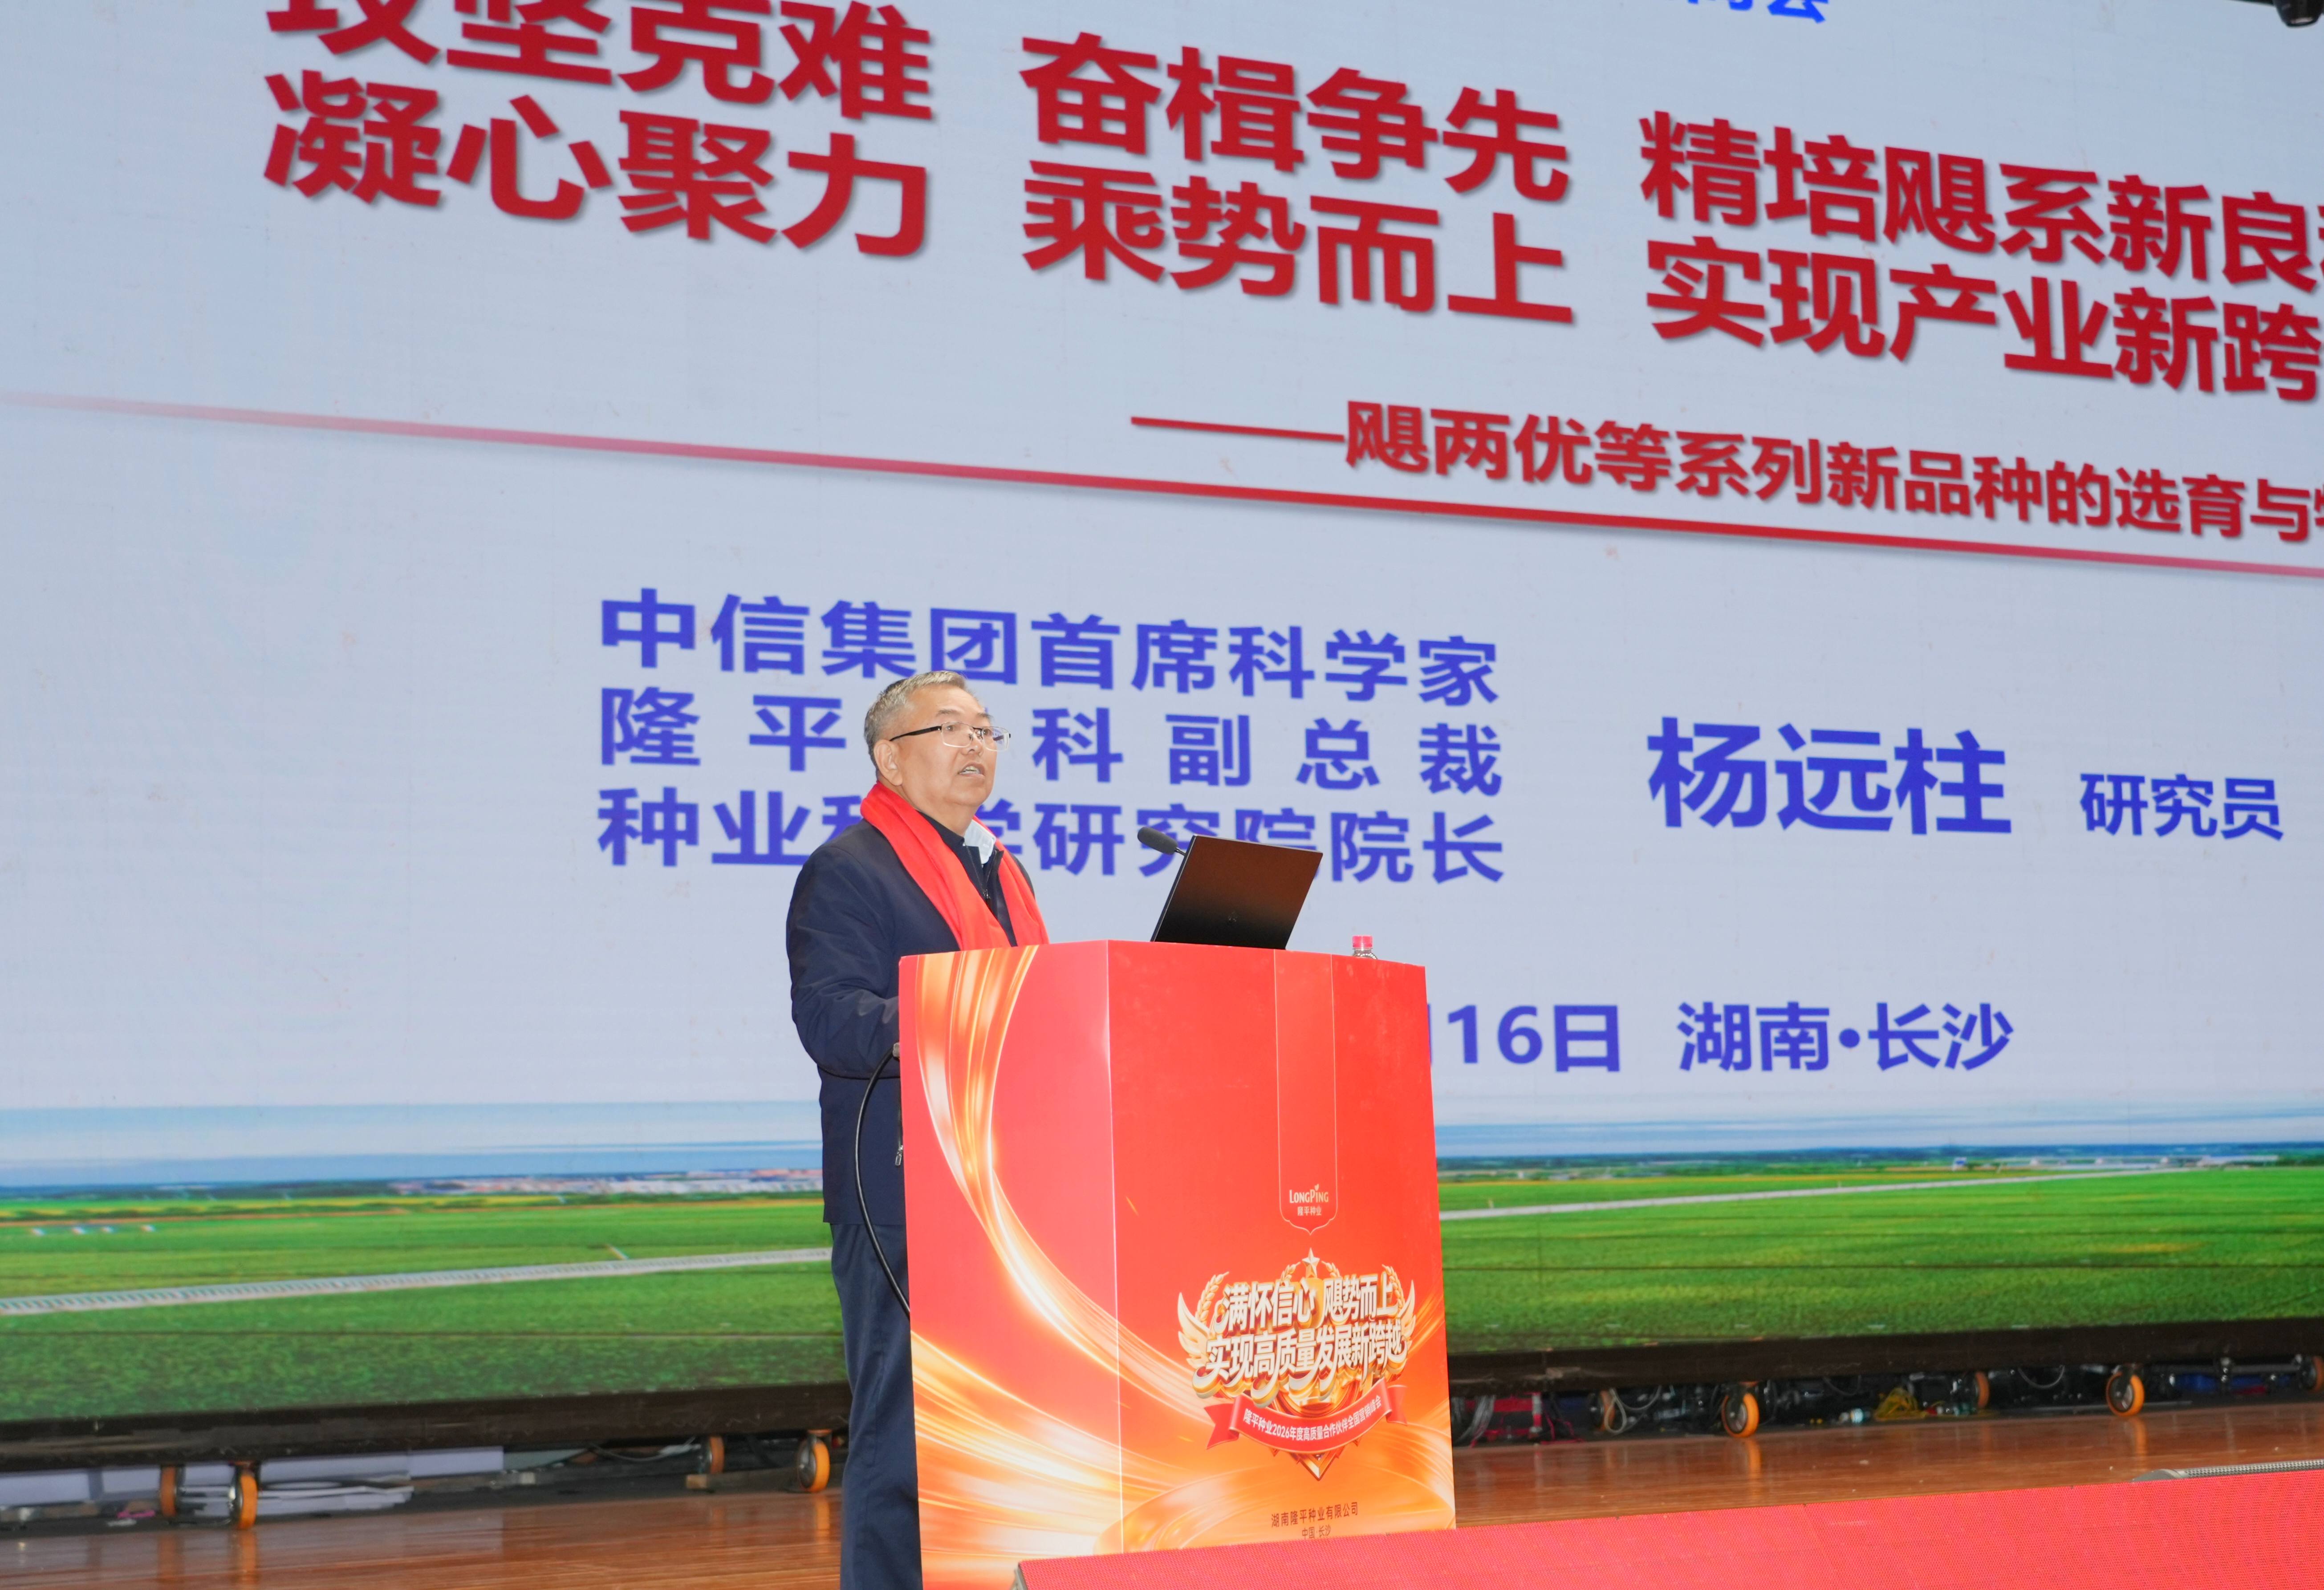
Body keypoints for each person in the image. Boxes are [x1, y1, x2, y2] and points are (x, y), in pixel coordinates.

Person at [786, 670, 1047, 1590]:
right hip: (901, 1192)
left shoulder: (1001, 871)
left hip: (1005, 1184)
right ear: (890, 759)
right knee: (902, 1440)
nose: (977, 744)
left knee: (1008, 1428)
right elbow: (831, 1020)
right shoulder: (850, 869)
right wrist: (955, 1016)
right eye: (951, 729)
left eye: (987, 729)